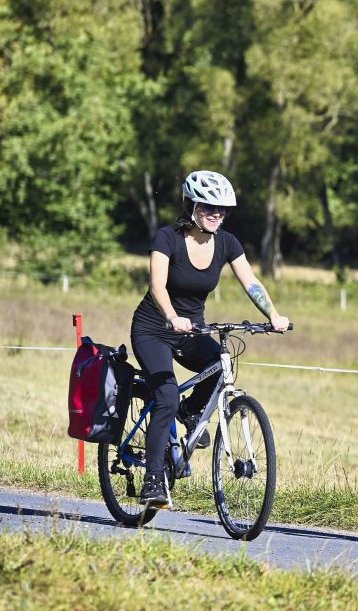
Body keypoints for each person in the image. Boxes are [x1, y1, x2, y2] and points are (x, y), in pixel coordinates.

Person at [130, 170, 290, 508]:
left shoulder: (227, 243)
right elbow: (158, 284)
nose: (216, 214)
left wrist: (272, 315)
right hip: (155, 329)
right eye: (208, 207)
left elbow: (251, 283)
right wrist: (172, 317)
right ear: (191, 205)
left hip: (193, 331)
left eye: (222, 209)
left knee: (221, 364)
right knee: (167, 397)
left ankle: (190, 412)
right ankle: (153, 481)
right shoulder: (167, 238)